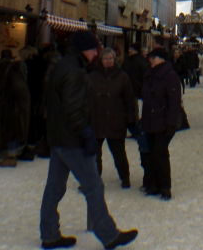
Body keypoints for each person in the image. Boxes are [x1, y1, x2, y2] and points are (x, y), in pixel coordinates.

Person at [39, 30, 138, 250]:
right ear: (85, 49)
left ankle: (49, 234)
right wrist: (86, 132)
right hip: (72, 140)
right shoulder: (74, 71)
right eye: (95, 48)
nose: (97, 53)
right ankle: (108, 234)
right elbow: (73, 108)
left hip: (58, 137)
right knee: (93, 186)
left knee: (54, 188)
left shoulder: (63, 65)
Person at [88, 47, 137, 189]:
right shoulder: (92, 76)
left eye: (111, 58)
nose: (108, 61)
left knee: (119, 153)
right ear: (101, 60)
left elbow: (129, 99)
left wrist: (131, 119)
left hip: (116, 120)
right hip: (96, 120)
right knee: (94, 154)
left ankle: (125, 177)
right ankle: (94, 179)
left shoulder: (122, 76)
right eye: (105, 58)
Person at [140, 47, 181, 200]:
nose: (150, 60)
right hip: (150, 121)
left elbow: (174, 101)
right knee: (150, 154)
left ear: (161, 59)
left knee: (161, 154)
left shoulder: (170, 76)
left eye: (153, 57)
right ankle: (153, 184)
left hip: (163, 122)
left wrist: (171, 123)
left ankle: (165, 187)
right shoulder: (149, 74)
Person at [0, 48, 31, 165]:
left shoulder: (1, 67)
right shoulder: (17, 67)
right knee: (17, 126)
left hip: (10, 101)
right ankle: (15, 152)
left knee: (10, 127)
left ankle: (11, 156)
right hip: (21, 100)